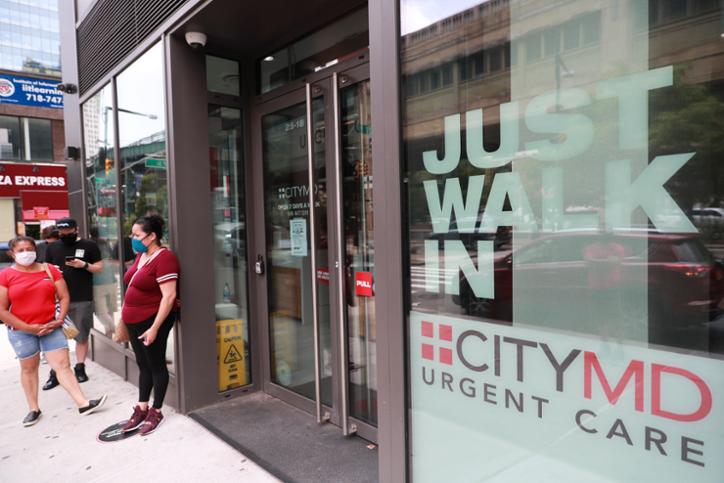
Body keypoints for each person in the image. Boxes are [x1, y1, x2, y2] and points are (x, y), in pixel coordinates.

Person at [0, 236, 107, 426]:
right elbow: (2, 310)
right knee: (29, 369)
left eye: (29, 249)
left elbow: (64, 297)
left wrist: (59, 320)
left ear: (35, 250)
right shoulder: (6, 275)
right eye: (21, 250)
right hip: (21, 331)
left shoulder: (49, 270)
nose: (26, 253)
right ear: (12, 253)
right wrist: (28, 327)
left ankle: (83, 404)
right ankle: (34, 409)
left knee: (63, 365)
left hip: (52, 327)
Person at [121, 215, 179, 435]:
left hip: (151, 321)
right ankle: (142, 407)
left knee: (156, 365)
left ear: (152, 236)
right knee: (143, 365)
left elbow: (169, 296)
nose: (133, 238)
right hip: (133, 320)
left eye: (137, 235)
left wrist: (154, 328)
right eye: (132, 234)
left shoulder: (165, 258)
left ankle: (156, 410)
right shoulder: (142, 255)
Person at [41, 218, 103, 390]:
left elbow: (99, 268)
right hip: (56, 299)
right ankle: (56, 372)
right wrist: (52, 271)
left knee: (81, 335)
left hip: (82, 297)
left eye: (68, 231)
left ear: (76, 229)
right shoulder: (52, 247)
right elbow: (44, 269)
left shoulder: (89, 245)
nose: (64, 234)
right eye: (61, 232)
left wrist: (84, 265)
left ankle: (80, 367)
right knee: (56, 338)